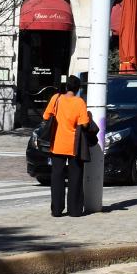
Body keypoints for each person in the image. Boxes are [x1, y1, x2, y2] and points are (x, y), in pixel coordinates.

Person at [43, 75, 92, 218]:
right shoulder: (80, 102)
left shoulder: (56, 98)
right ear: (77, 89)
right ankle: (75, 210)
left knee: (57, 177)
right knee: (75, 177)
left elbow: (46, 117)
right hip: (74, 145)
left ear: (66, 87)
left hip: (57, 143)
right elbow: (84, 124)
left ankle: (57, 210)